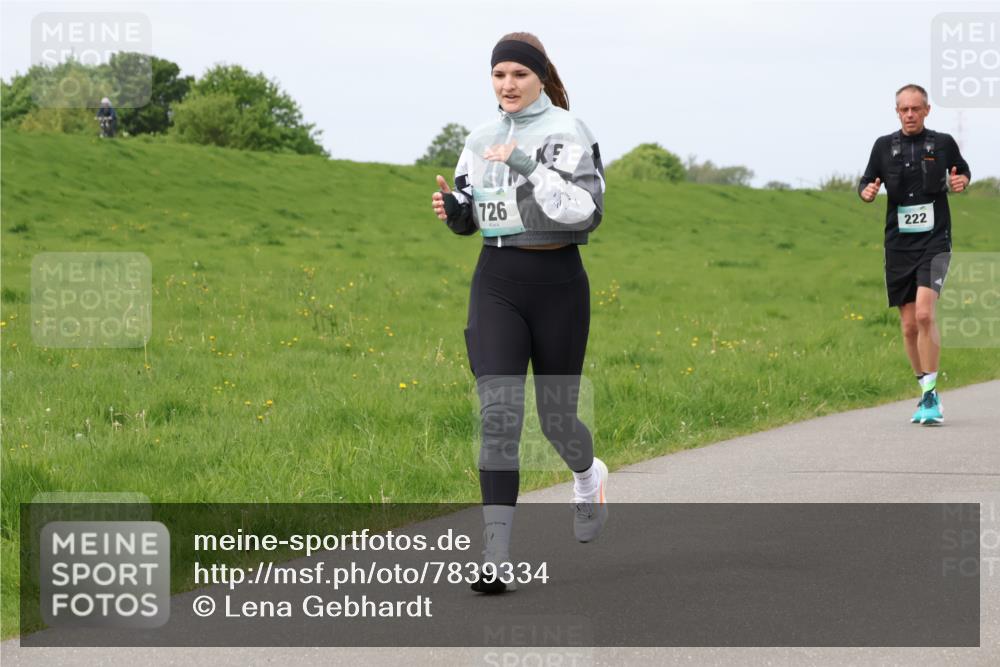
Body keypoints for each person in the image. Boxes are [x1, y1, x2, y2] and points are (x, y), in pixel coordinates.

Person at [430, 32, 608, 594]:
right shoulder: (480, 137)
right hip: (497, 282)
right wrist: (453, 209)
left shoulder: (569, 132)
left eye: (518, 75)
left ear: (540, 77)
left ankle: (587, 476)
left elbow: (585, 211)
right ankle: (496, 556)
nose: (507, 85)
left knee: (557, 421)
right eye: (498, 75)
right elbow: (473, 212)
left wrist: (528, 163)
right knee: (499, 416)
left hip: (558, 283)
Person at [858, 84, 970, 425]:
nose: (909, 114)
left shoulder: (943, 144)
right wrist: (867, 191)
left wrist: (961, 180)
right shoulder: (883, 146)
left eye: (915, 109)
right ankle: (924, 390)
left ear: (926, 110)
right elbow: (865, 182)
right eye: (903, 109)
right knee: (908, 326)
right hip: (899, 244)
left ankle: (931, 394)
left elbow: (963, 171)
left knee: (924, 314)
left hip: (935, 239)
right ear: (897, 112)